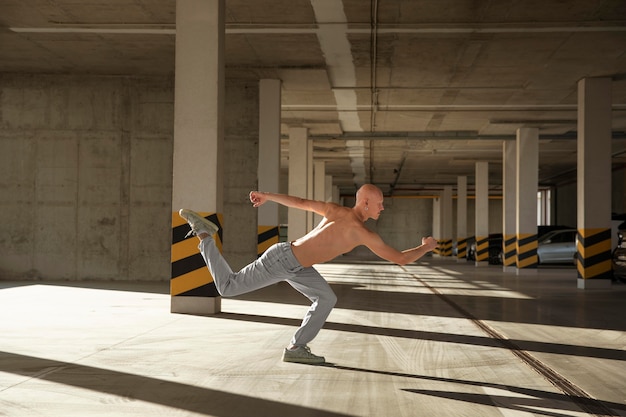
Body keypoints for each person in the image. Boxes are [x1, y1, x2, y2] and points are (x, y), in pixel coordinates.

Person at [179, 184, 438, 364]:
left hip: (298, 265)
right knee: (228, 287)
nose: (382, 208)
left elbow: (301, 203)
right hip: (283, 260)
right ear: (366, 202)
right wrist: (426, 247)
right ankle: (204, 234)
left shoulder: (338, 211)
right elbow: (401, 258)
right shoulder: (363, 232)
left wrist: (267, 196)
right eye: (380, 204)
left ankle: (295, 347)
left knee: (326, 299)